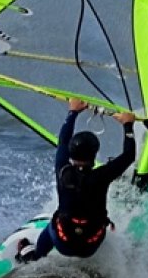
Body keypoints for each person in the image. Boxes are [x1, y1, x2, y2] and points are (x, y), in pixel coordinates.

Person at [17, 97, 137, 263]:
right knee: (91, 226)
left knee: (54, 224)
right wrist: (128, 125)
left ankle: (34, 256)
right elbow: (129, 155)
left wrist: (73, 112)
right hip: (91, 244)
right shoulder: (102, 175)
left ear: (71, 153)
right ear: (94, 155)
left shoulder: (62, 169)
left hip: (63, 241)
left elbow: (63, 141)